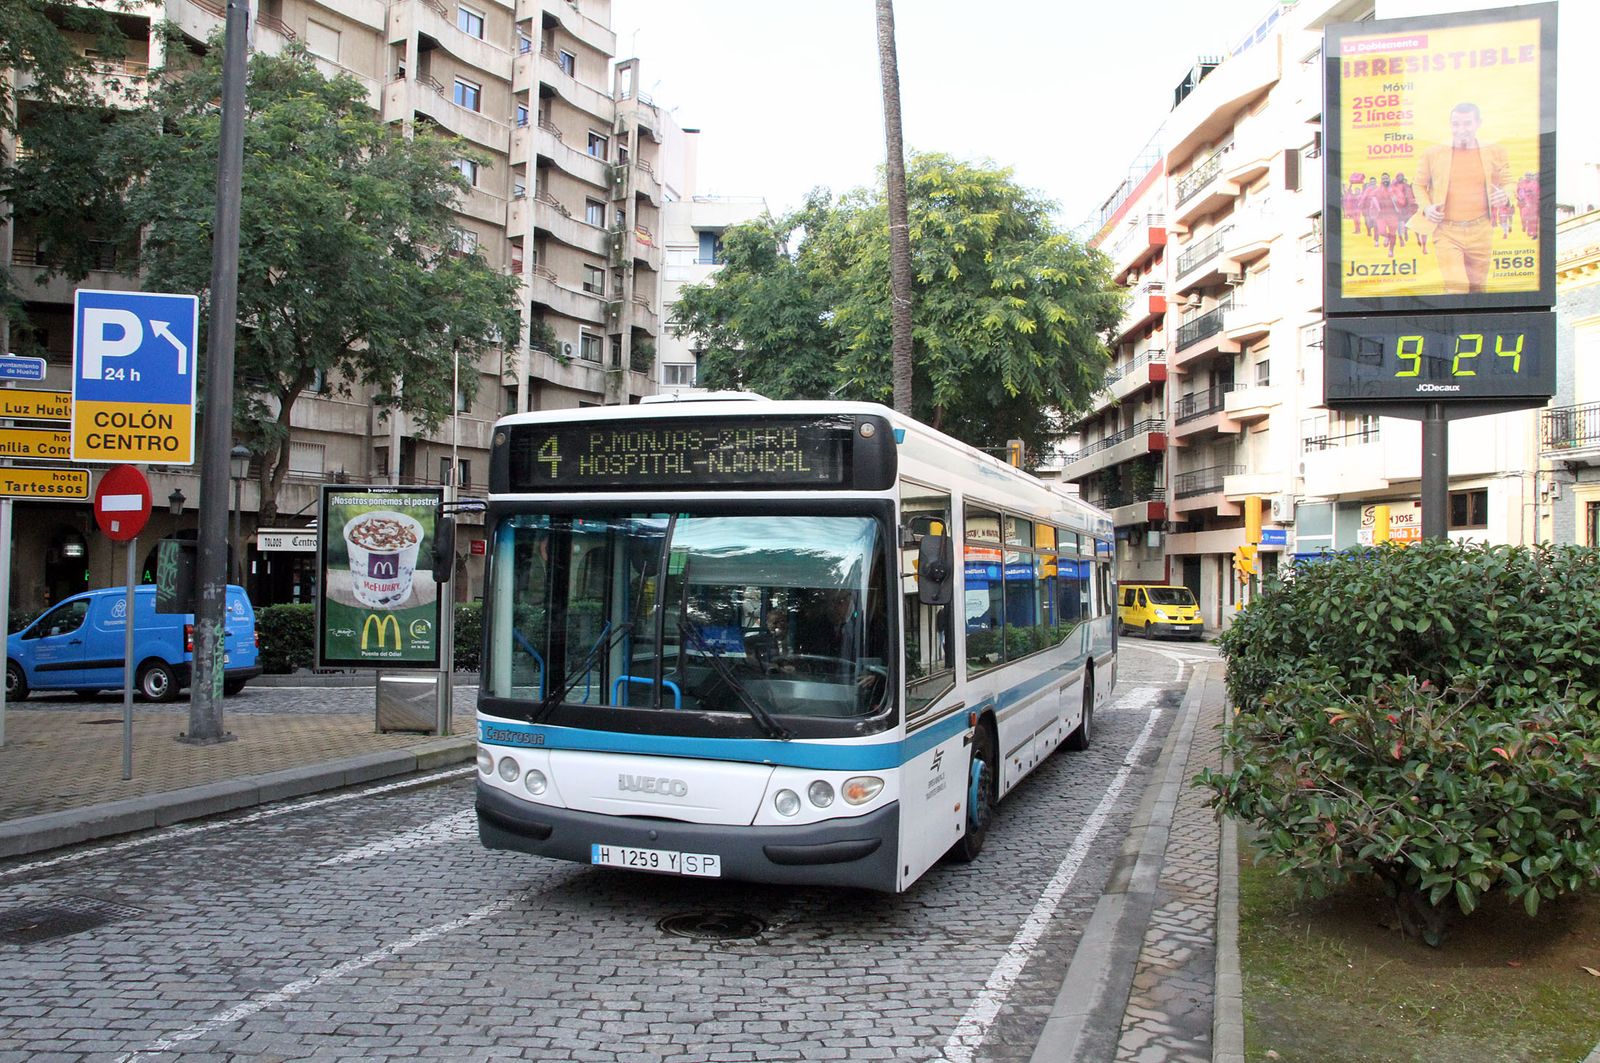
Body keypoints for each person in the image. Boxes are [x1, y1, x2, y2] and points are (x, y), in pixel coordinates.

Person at [1413, 102, 1511, 294]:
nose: (1461, 129)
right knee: (1457, 289)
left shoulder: (1494, 151)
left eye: (1467, 124)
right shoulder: (1433, 153)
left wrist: (1506, 195)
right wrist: (1427, 208)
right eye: (1456, 124)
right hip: (1447, 232)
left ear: (1478, 124)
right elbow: (1418, 185)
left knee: (1478, 290)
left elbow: (1508, 181)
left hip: (1481, 230)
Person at [1392, 173, 1420, 249]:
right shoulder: (1393, 187)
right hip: (1399, 209)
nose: (1400, 178)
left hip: (1408, 209)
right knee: (1400, 225)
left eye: (1401, 176)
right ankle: (1401, 239)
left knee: (1413, 224)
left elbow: (1411, 196)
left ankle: (1418, 238)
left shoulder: (1407, 186)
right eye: (1398, 176)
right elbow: (1393, 198)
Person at [1517, 172, 1540, 241]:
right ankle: (1531, 232)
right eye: (1527, 176)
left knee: (1534, 219)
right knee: (1528, 217)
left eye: (1530, 175)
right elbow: (1520, 192)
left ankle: (1534, 233)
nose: (1528, 177)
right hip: (1528, 203)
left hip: (1535, 203)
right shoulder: (1524, 184)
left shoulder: (1535, 184)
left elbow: (1537, 193)